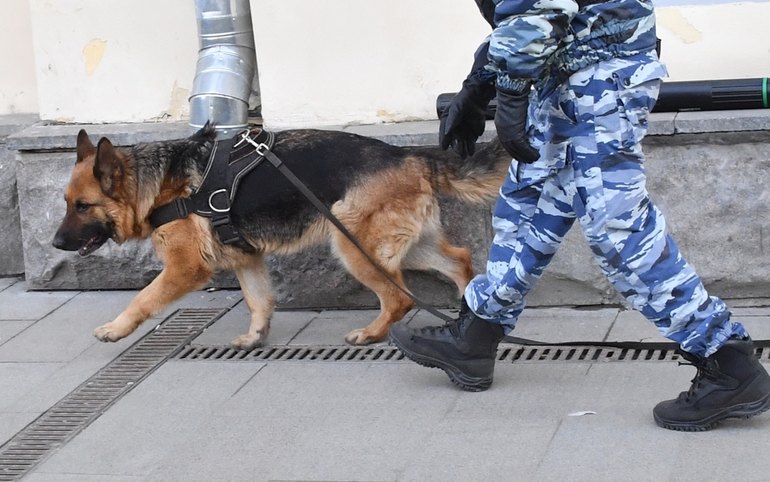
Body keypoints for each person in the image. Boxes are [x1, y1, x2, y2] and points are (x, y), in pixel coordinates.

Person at [389, 0, 770, 431]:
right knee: (530, 200)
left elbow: (538, 3)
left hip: (599, 72)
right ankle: (475, 335)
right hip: (562, 66)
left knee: (618, 229)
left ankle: (727, 361)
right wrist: (479, 83)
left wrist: (509, 85)